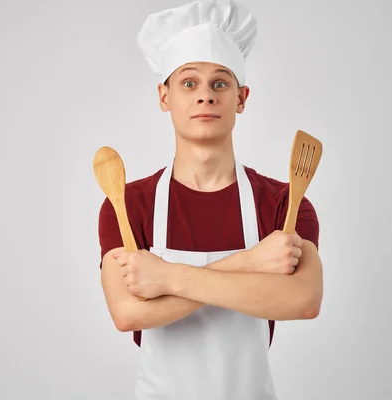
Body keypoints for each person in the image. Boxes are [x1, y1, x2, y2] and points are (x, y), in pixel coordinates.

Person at [97, 0, 323, 398]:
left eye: (220, 83)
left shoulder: (285, 203)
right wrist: (250, 262)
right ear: (164, 96)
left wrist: (165, 278)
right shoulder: (128, 203)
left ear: (241, 98)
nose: (205, 96)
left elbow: (302, 300)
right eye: (188, 82)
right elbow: (129, 313)